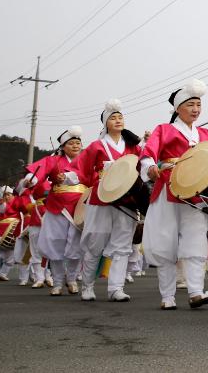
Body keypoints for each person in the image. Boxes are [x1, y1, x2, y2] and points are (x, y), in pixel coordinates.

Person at [140, 79, 208, 310]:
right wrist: (150, 167)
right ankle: (167, 295)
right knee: (166, 240)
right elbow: (148, 152)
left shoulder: (204, 133)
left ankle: (196, 291)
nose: (196, 109)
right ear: (177, 108)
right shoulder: (164, 129)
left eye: (198, 105)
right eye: (190, 104)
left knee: (196, 239)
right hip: (169, 187)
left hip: (196, 192)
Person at [65, 100, 142, 302]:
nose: (118, 120)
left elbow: (142, 167)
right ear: (105, 123)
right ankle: (87, 286)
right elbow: (80, 169)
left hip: (127, 199)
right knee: (95, 243)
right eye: (113, 118)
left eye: (120, 117)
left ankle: (116, 288)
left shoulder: (133, 147)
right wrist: (66, 178)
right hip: (101, 198)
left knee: (122, 244)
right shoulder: (96, 146)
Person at [26, 126, 85, 296]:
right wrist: (31, 180)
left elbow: (94, 178)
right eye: (71, 143)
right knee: (55, 244)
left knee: (76, 245)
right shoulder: (54, 161)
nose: (75, 146)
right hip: (57, 206)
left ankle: (72, 279)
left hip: (79, 208)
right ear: (63, 147)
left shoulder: (86, 160)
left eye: (78, 143)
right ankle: (58, 282)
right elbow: (39, 171)